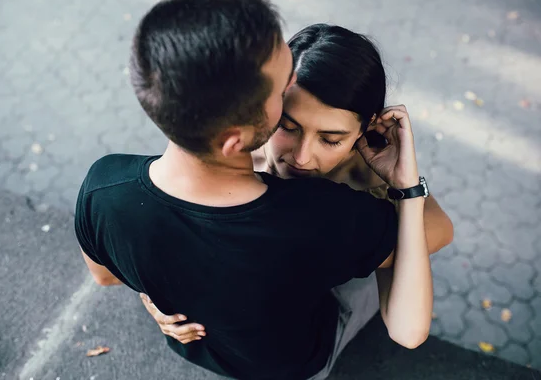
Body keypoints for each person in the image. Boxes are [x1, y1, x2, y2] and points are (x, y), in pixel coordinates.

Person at [75, 0, 435, 380]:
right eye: (282, 98)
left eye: (330, 139)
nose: (302, 157)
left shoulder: (103, 187)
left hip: (205, 348)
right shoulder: (336, 220)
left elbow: (106, 274)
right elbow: (408, 322)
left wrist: (154, 292)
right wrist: (406, 193)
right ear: (236, 135)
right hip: (296, 361)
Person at [141, 24, 454, 356]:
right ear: (269, 101)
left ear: (366, 129)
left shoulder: (369, 182)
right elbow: (158, 210)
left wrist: (405, 188)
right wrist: (150, 296)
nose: (302, 157)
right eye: (287, 127)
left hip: (325, 302)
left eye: (331, 139)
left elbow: (409, 329)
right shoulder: (226, 140)